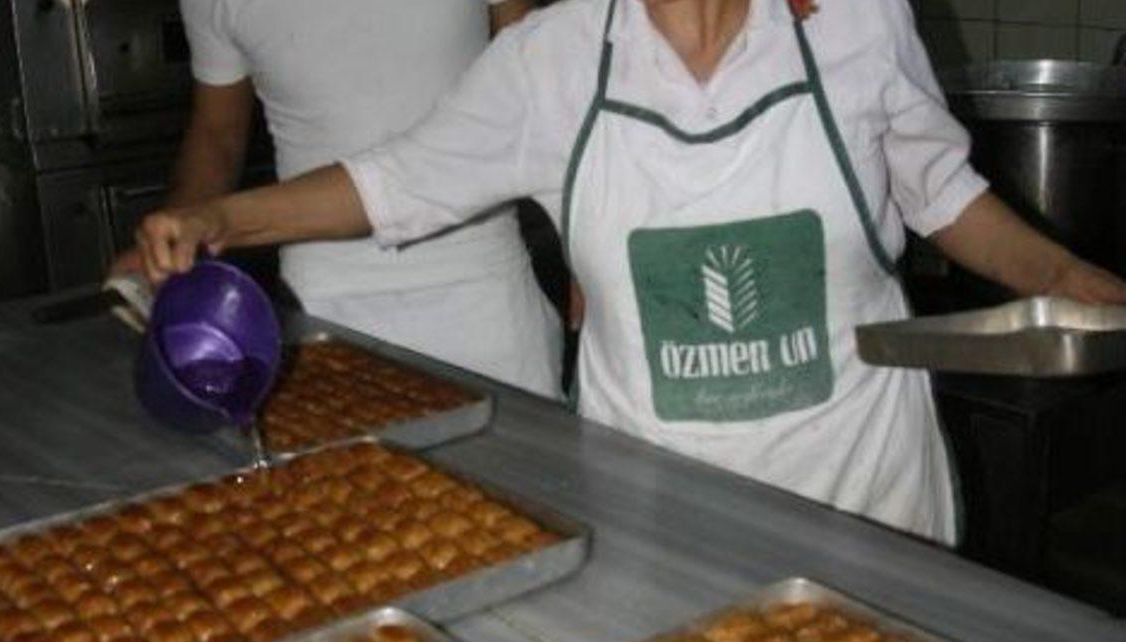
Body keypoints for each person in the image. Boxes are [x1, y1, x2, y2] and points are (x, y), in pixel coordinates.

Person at [134, 0, 1126, 545]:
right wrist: (224, 218)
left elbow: (941, 191)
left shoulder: (857, 23)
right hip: (662, 516)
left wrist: (1060, 270)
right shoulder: (555, 59)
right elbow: (400, 180)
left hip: (866, 498)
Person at [116, 0, 562, 398]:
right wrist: (173, 237)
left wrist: (583, 247)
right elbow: (217, 135)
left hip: (486, 294)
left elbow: (544, 90)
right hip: (323, 309)